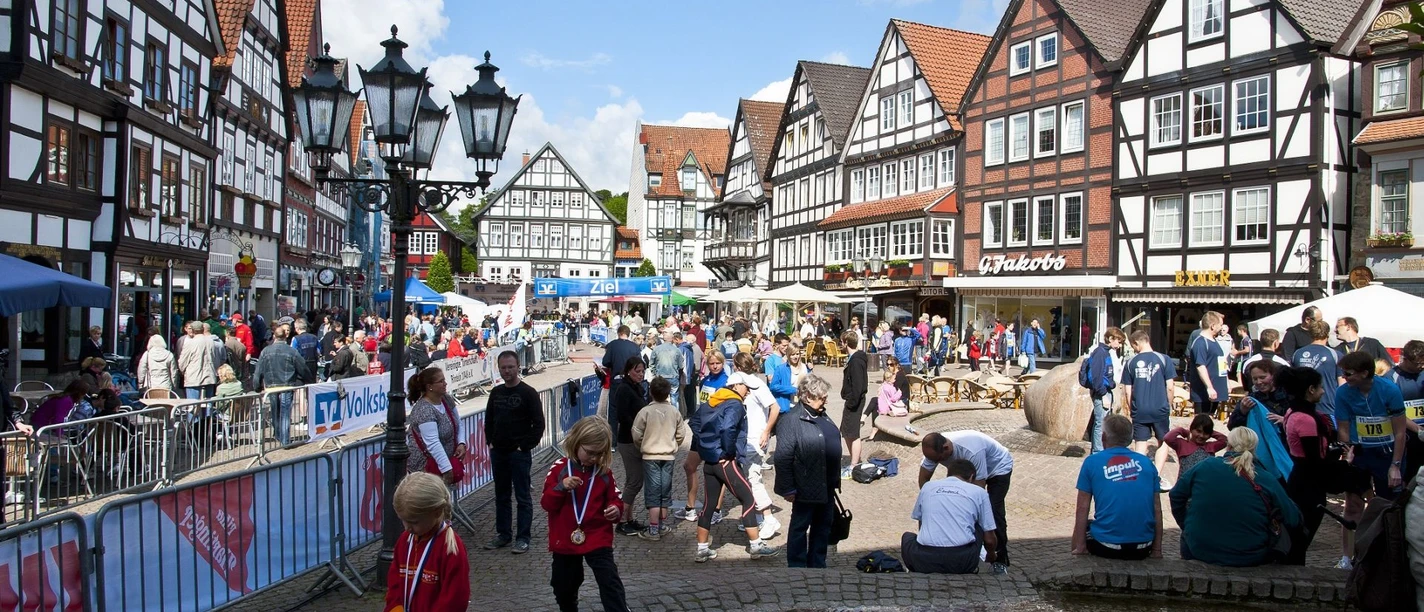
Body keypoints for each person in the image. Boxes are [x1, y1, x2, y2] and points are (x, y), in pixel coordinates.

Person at [1169, 427, 1301, 567]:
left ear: (1229, 445)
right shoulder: (1266, 478)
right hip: (1250, 554)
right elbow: (1293, 519)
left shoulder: (1206, 466)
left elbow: (1176, 494)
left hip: (1199, 549)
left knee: (1188, 535)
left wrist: (1186, 522)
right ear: (1254, 448)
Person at [542, 417, 630, 612]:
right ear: (576, 443)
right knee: (563, 584)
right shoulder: (559, 468)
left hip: (597, 536)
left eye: (599, 454)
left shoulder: (603, 472)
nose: (594, 458)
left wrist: (615, 510)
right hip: (565, 538)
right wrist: (561, 487)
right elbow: (546, 503)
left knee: (609, 581)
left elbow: (615, 498)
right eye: (590, 453)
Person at [692, 372, 780, 562]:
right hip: (725, 461)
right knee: (748, 498)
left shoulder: (713, 400)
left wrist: (706, 447)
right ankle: (756, 546)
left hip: (710, 461)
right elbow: (728, 429)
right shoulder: (735, 403)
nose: (748, 392)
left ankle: (702, 549)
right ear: (736, 386)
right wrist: (727, 453)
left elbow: (695, 423)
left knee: (709, 504)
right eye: (746, 387)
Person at [919, 431, 1014, 574]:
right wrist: (929, 498)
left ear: (946, 448)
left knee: (993, 511)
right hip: (967, 471)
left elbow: (978, 492)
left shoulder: (972, 450)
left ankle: (1000, 559)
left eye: (938, 460)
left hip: (998, 468)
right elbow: (924, 480)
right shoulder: (933, 450)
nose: (936, 463)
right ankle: (971, 551)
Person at [1071, 414, 1163, 560]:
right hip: (1144, 546)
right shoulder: (1146, 463)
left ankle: (1079, 550)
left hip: (1106, 546)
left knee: (1082, 528)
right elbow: (1157, 508)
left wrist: (1081, 544)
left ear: (1103, 437)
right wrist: (1157, 550)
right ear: (1130, 438)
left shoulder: (1091, 462)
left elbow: (1082, 507)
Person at [773, 374, 842, 568]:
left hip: (826, 484)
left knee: (823, 526)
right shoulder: (791, 421)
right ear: (807, 397)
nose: (825, 400)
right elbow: (783, 457)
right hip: (805, 486)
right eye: (821, 397)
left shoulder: (821, 414)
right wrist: (787, 488)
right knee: (800, 527)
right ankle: (797, 566)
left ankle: (818, 564)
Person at [483, 351, 546, 554]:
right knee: (501, 495)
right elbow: (489, 420)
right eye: (503, 367)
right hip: (498, 452)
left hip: (518, 454)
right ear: (499, 369)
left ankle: (523, 537)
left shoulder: (528, 393)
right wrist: (490, 441)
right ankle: (503, 534)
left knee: (522, 496)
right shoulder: (496, 392)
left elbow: (538, 424)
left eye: (510, 367)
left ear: (518, 366)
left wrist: (524, 446)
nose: (507, 371)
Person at [383, 472, 471, 612]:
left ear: (436, 513)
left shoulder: (451, 549)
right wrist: (395, 608)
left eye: (414, 522)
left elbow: (455, 600)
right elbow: (394, 585)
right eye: (403, 520)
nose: (407, 527)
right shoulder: (404, 541)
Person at [902, 458, 997, 574]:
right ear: (971, 477)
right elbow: (989, 539)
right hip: (961, 562)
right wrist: (991, 555)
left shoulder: (927, 487)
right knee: (979, 526)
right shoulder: (979, 492)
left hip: (923, 560)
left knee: (907, 537)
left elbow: (921, 521)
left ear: (948, 474)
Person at [729, 352, 781, 537]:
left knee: (753, 478)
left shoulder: (757, 384)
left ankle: (768, 519)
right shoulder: (739, 382)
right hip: (745, 438)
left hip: (755, 438)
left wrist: (767, 430)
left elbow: (775, 407)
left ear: (736, 365)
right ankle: (755, 518)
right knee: (747, 479)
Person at [631, 377, 688, 540]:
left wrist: (642, 444)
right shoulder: (674, 411)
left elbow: (636, 432)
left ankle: (653, 529)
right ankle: (661, 525)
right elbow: (681, 433)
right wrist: (674, 444)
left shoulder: (645, 412)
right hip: (668, 456)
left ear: (651, 392)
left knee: (653, 492)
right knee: (664, 491)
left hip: (650, 456)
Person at [1119, 331, 1177, 489]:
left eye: (1133, 346)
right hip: (1160, 408)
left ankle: (1138, 478)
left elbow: (1127, 391)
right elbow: (1170, 387)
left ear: (1137, 343)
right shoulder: (1164, 359)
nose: (1133, 349)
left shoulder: (1131, 362)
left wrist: (1133, 408)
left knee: (1140, 444)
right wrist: (1168, 405)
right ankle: (1156, 476)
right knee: (1163, 442)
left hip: (1140, 409)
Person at [252, 325, 312, 446]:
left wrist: (257, 386)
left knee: (275, 411)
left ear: (274, 336)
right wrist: (308, 379)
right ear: (285, 336)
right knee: (285, 412)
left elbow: (258, 371)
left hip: (272, 386)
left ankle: (279, 435)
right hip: (287, 385)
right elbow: (303, 367)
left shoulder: (266, 351)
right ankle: (284, 439)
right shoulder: (291, 351)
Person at [610, 357, 650, 537]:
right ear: (628, 371)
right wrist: (638, 428)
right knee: (635, 481)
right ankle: (622, 520)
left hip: (635, 439)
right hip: (629, 440)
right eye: (637, 371)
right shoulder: (624, 389)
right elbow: (622, 416)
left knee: (632, 481)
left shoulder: (635, 387)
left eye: (642, 371)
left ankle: (629, 518)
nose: (640, 374)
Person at [405, 367, 464, 483]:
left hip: (444, 461)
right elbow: (432, 442)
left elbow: (458, 423)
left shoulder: (446, 399)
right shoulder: (424, 409)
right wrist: (447, 469)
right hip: (425, 468)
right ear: (429, 387)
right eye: (441, 381)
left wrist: (462, 443)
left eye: (444, 380)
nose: (445, 383)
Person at [1083, 327, 1124, 453]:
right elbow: (1097, 377)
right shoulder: (1100, 353)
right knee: (1100, 423)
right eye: (1119, 341)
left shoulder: (1106, 352)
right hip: (1102, 393)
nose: (1120, 345)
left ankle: (1099, 450)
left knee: (1102, 422)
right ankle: (1097, 451)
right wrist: (1103, 395)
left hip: (1106, 391)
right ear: (1111, 339)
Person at [1293, 319, 1342, 417]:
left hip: (1301, 409)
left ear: (1310, 334)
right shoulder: (1335, 355)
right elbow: (1342, 385)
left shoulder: (1297, 354)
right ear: (1327, 335)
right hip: (1328, 409)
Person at [1390, 340, 1424, 482]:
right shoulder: (1391, 379)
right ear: (1406, 359)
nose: (1422, 366)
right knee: (1411, 479)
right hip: (1407, 439)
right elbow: (1393, 413)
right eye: (1418, 363)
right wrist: (1418, 430)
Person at [599, 326, 641, 434]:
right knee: (631, 408)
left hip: (617, 379)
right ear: (628, 333)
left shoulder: (612, 345)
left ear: (618, 333)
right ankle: (630, 435)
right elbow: (639, 363)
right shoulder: (635, 347)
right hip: (631, 381)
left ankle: (613, 440)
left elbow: (605, 362)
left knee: (613, 409)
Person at [839, 331, 870, 475]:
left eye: (841, 342)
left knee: (853, 433)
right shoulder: (854, 358)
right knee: (846, 432)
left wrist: (852, 402)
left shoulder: (856, 360)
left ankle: (854, 464)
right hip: (852, 400)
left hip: (855, 401)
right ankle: (854, 460)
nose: (840, 344)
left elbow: (858, 385)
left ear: (846, 342)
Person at [1188, 312, 1228, 417]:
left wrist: (1226, 382)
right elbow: (1200, 366)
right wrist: (1209, 387)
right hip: (1204, 393)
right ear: (1213, 326)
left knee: (1209, 422)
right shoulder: (1200, 343)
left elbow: (1221, 362)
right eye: (1220, 325)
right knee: (1201, 424)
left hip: (1216, 390)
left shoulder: (1214, 341)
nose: (1221, 327)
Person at [1163, 414, 1228, 478]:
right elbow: (1168, 438)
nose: (1201, 436)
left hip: (1204, 483)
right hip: (1185, 484)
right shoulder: (1182, 444)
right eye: (1198, 431)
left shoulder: (1211, 446)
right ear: (1191, 429)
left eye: (1206, 433)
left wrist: (1210, 431)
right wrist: (1183, 431)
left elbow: (1225, 440)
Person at [649, 332, 684, 415]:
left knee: (659, 398)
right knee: (674, 398)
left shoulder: (656, 349)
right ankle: (675, 416)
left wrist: (655, 373)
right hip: (673, 376)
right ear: (672, 339)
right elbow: (681, 365)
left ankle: (658, 414)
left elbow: (651, 364)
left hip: (660, 376)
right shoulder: (676, 350)